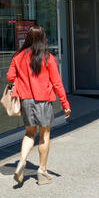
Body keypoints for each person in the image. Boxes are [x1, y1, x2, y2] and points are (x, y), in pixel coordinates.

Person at [6, 25, 71, 186]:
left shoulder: (18, 56)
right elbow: (57, 83)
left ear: (28, 38)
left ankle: (22, 161)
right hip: (43, 101)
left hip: (25, 101)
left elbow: (10, 77)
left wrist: (21, 79)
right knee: (44, 136)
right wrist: (65, 104)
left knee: (29, 134)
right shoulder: (48, 57)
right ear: (43, 38)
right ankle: (42, 171)